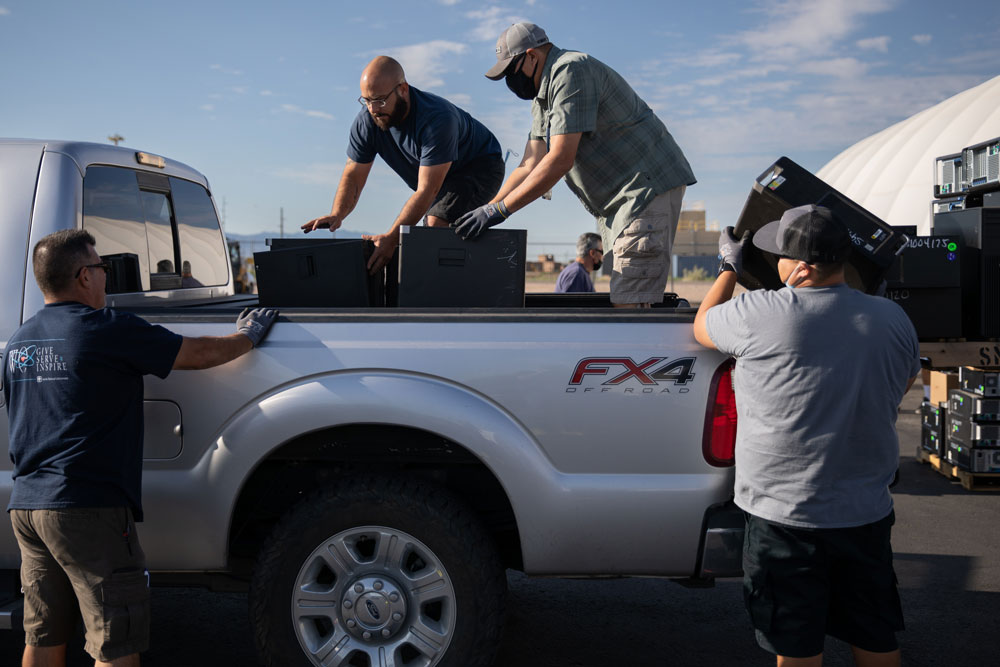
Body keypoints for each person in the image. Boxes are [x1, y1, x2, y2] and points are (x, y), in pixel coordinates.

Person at [2, 229, 278, 667]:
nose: (106, 279)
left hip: (28, 508)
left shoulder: (19, 344)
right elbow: (197, 354)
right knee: (115, 640)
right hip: (86, 506)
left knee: (42, 635)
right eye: (101, 268)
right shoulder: (105, 330)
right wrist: (249, 335)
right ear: (82, 276)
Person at [692, 206, 920, 667]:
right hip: (865, 514)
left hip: (785, 519)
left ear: (800, 267)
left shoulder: (760, 312)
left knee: (796, 647)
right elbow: (904, 381)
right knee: (875, 636)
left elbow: (703, 325)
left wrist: (729, 267)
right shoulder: (893, 319)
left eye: (778, 254)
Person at [456, 22, 696, 308]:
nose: (510, 80)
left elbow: (558, 159)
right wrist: (489, 207)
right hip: (621, 202)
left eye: (511, 71)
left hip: (643, 190)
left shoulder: (570, 71)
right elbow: (530, 162)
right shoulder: (542, 96)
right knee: (632, 301)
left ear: (531, 56)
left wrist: (502, 210)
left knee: (631, 304)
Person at [302, 56, 505, 274]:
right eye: (366, 101)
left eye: (379, 100)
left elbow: (427, 190)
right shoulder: (367, 122)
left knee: (436, 223)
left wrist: (392, 238)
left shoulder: (437, 118)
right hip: (439, 180)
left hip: (479, 167)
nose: (373, 109)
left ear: (403, 90)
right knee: (428, 229)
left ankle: (450, 295)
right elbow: (353, 174)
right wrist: (338, 214)